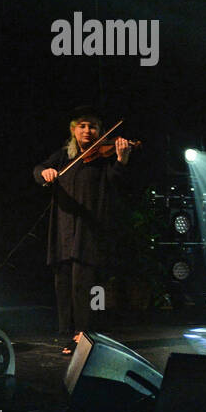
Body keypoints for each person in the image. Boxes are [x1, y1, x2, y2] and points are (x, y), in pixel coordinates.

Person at [33, 107, 134, 355]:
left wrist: (121, 161)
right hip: (64, 229)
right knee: (64, 283)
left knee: (84, 284)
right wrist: (45, 173)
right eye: (83, 126)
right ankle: (69, 332)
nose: (88, 131)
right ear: (73, 130)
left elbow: (116, 185)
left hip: (90, 229)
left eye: (93, 127)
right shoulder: (63, 156)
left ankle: (84, 333)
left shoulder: (103, 159)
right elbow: (39, 170)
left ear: (100, 131)